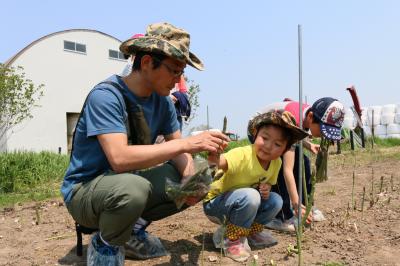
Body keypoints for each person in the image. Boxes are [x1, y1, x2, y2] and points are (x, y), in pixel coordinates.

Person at [60, 22, 230, 265]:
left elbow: (178, 151)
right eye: (174, 71)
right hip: (85, 192)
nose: (178, 80)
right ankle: (106, 243)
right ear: (148, 62)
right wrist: (187, 144)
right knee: (133, 188)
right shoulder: (107, 96)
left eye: (181, 72)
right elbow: (119, 160)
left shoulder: (163, 103)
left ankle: (131, 231)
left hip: (125, 185)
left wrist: (189, 180)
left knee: (197, 178)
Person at [203, 111, 309, 262]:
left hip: (242, 203)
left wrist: (266, 189)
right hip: (216, 204)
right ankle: (231, 239)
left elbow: (267, 187)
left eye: (277, 144)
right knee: (251, 196)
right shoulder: (243, 154)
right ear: (255, 134)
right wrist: (215, 157)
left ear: (285, 150)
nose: (268, 146)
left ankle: (250, 232)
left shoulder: (276, 163)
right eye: (264, 138)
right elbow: (221, 162)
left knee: (275, 200)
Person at [253, 97, 345, 232]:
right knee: (278, 163)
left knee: (304, 161)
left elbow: (297, 137)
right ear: (311, 117)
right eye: (322, 129)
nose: (322, 135)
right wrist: (294, 202)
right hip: (260, 129)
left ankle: (306, 206)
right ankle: (281, 216)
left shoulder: (310, 112)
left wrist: (308, 145)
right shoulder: (293, 119)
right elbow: (287, 170)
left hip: (283, 131)